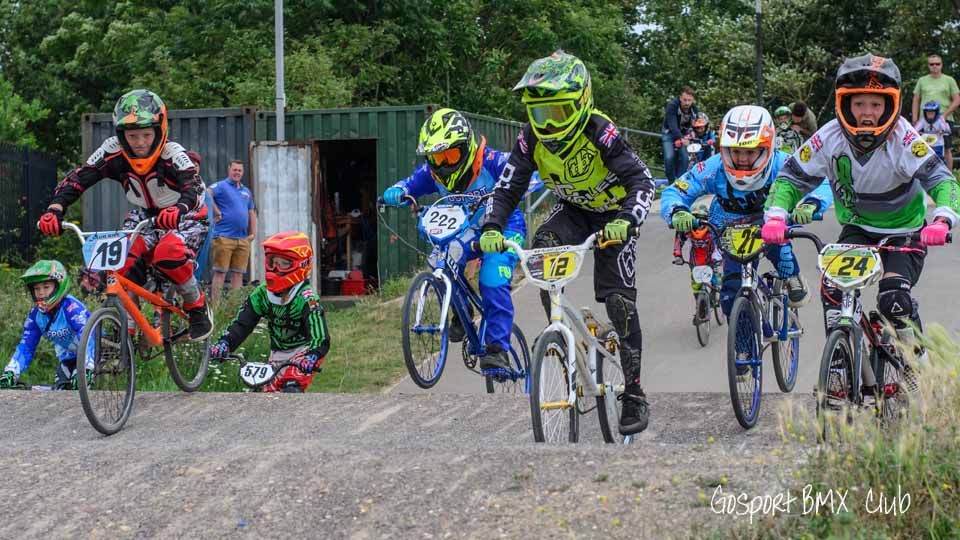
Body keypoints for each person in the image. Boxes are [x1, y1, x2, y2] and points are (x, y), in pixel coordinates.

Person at [480, 50, 657, 435]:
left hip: (614, 216)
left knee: (619, 303)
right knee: (543, 249)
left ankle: (634, 393)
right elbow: (507, 187)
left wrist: (627, 220)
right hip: (575, 210)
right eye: (539, 113)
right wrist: (492, 226)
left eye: (557, 113)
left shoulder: (600, 131)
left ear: (580, 103)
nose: (547, 123)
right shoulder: (530, 138)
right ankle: (560, 340)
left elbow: (642, 180)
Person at [763, 54, 960, 394]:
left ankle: (917, 359)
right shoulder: (828, 137)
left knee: (893, 299)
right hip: (857, 228)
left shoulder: (905, 138)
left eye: (876, 104)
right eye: (858, 104)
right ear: (844, 104)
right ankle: (839, 361)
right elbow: (790, 179)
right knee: (832, 288)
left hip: (904, 231)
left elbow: (943, 181)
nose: (867, 113)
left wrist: (942, 219)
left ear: (891, 105)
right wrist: (776, 215)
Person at [38, 89, 212, 340]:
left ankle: (197, 306)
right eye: (132, 136)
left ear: (159, 131)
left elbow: (193, 185)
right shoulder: (112, 151)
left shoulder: (172, 153)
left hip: (186, 214)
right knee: (118, 263)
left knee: (169, 252)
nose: (139, 142)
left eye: (146, 134)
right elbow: (80, 178)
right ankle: (125, 327)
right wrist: (55, 209)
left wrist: (180, 208)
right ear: (121, 135)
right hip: (145, 215)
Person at [381, 108, 527, 372]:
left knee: (492, 276)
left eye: (450, 155)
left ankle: (498, 349)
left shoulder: (493, 161)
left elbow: (524, 172)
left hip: (505, 227)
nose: (444, 164)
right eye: (436, 157)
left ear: (467, 146)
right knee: (441, 259)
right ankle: (461, 311)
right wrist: (397, 191)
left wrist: (536, 180)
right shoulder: (432, 172)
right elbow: (410, 184)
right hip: (467, 230)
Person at [660, 105, 834, 323]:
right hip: (728, 225)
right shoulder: (714, 167)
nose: (742, 158)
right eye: (735, 151)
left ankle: (792, 274)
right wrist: (677, 211)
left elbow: (820, 182)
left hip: (769, 220)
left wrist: (811, 204)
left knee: (781, 253)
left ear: (766, 148)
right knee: (730, 297)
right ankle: (743, 339)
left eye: (750, 152)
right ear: (724, 149)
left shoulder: (782, 163)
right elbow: (677, 190)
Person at [209, 232, 330, 393]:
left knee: (290, 388)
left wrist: (313, 355)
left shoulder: (306, 298)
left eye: (284, 264)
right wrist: (225, 343)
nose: (276, 269)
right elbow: (242, 324)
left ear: (302, 264)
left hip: (304, 352)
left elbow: (320, 336)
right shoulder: (262, 294)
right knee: (264, 393)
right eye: (273, 262)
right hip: (276, 353)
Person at [0, 261, 94, 390]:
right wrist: (10, 372)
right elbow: (26, 346)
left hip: (92, 352)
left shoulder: (71, 308)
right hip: (67, 357)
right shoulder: (35, 315)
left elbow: (89, 336)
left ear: (58, 286)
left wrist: (87, 367)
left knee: (78, 386)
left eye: (46, 287)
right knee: (60, 392)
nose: (41, 293)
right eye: (36, 288)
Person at [208, 160, 257, 303]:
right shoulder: (221, 186)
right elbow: (207, 194)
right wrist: (216, 212)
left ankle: (234, 308)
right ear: (229, 170)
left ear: (243, 172)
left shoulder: (246, 191)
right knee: (220, 273)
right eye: (234, 170)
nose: (237, 173)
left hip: (242, 239)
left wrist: (253, 233)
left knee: (238, 274)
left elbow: (251, 212)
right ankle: (216, 308)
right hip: (224, 237)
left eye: (239, 170)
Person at [911, 54, 960, 169]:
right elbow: (916, 99)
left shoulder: (949, 80)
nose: (935, 66)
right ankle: (924, 174)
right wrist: (914, 119)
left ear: (941, 65)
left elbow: (957, 100)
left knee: (946, 149)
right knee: (923, 147)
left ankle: (948, 176)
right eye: (932, 64)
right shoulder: (922, 80)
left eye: (937, 64)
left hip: (945, 120)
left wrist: (944, 115)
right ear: (928, 66)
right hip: (924, 121)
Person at [671, 200, 722, 303]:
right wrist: (678, 256)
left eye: (702, 219)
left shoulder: (712, 228)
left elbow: (719, 243)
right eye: (695, 219)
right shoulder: (686, 228)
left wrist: (720, 257)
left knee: (716, 281)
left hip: (711, 258)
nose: (699, 223)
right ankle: (699, 305)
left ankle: (715, 294)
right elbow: (678, 242)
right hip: (695, 260)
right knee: (695, 284)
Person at [187, 151, 215, 282]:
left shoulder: (202, 188)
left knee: (198, 265)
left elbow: (211, 214)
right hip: (185, 232)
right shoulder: (177, 185)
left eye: (196, 165)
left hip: (203, 234)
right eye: (190, 164)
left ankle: (195, 286)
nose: (193, 167)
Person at [662, 86, 700, 183]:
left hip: (684, 133)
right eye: (684, 100)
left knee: (685, 157)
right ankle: (671, 182)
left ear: (693, 100)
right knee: (669, 157)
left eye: (689, 100)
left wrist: (693, 132)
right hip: (669, 132)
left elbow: (696, 124)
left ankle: (679, 181)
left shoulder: (694, 109)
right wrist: (682, 138)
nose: (687, 103)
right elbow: (672, 125)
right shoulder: (672, 106)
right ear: (680, 98)